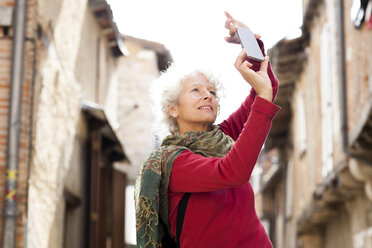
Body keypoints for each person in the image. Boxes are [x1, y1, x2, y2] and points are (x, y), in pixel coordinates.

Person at [135, 11, 280, 248]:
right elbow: (233, 172)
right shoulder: (174, 162)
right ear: (173, 109)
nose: (207, 95)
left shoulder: (224, 136)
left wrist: (250, 44)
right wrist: (263, 98)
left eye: (212, 92)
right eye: (196, 91)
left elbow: (267, 89)